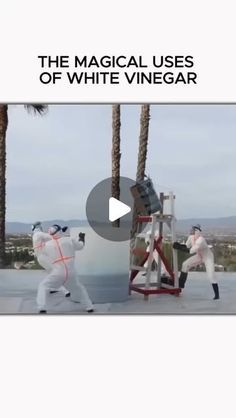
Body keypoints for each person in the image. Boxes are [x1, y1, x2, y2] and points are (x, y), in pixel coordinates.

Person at [36, 224, 94, 313]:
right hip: (71, 272)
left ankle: (42, 307)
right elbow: (80, 246)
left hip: (58, 273)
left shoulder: (47, 245)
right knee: (79, 288)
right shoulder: (69, 240)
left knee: (43, 286)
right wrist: (81, 238)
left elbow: (41, 253)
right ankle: (89, 306)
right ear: (60, 231)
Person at [173, 224, 220, 300]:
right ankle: (181, 284)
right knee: (185, 264)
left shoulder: (201, 240)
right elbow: (187, 246)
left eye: (193, 230)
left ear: (197, 231)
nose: (191, 231)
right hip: (199, 256)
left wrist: (178, 247)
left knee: (211, 276)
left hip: (208, 257)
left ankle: (217, 295)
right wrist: (178, 245)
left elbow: (191, 251)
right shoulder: (191, 237)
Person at [31, 221, 70, 297]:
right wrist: (61, 231)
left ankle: (53, 288)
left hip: (42, 258)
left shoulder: (36, 235)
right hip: (44, 258)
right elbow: (52, 237)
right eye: (39, 226)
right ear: (37, 228)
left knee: (51, 273)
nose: (40, 227)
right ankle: (65, 291)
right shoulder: (39, 234)